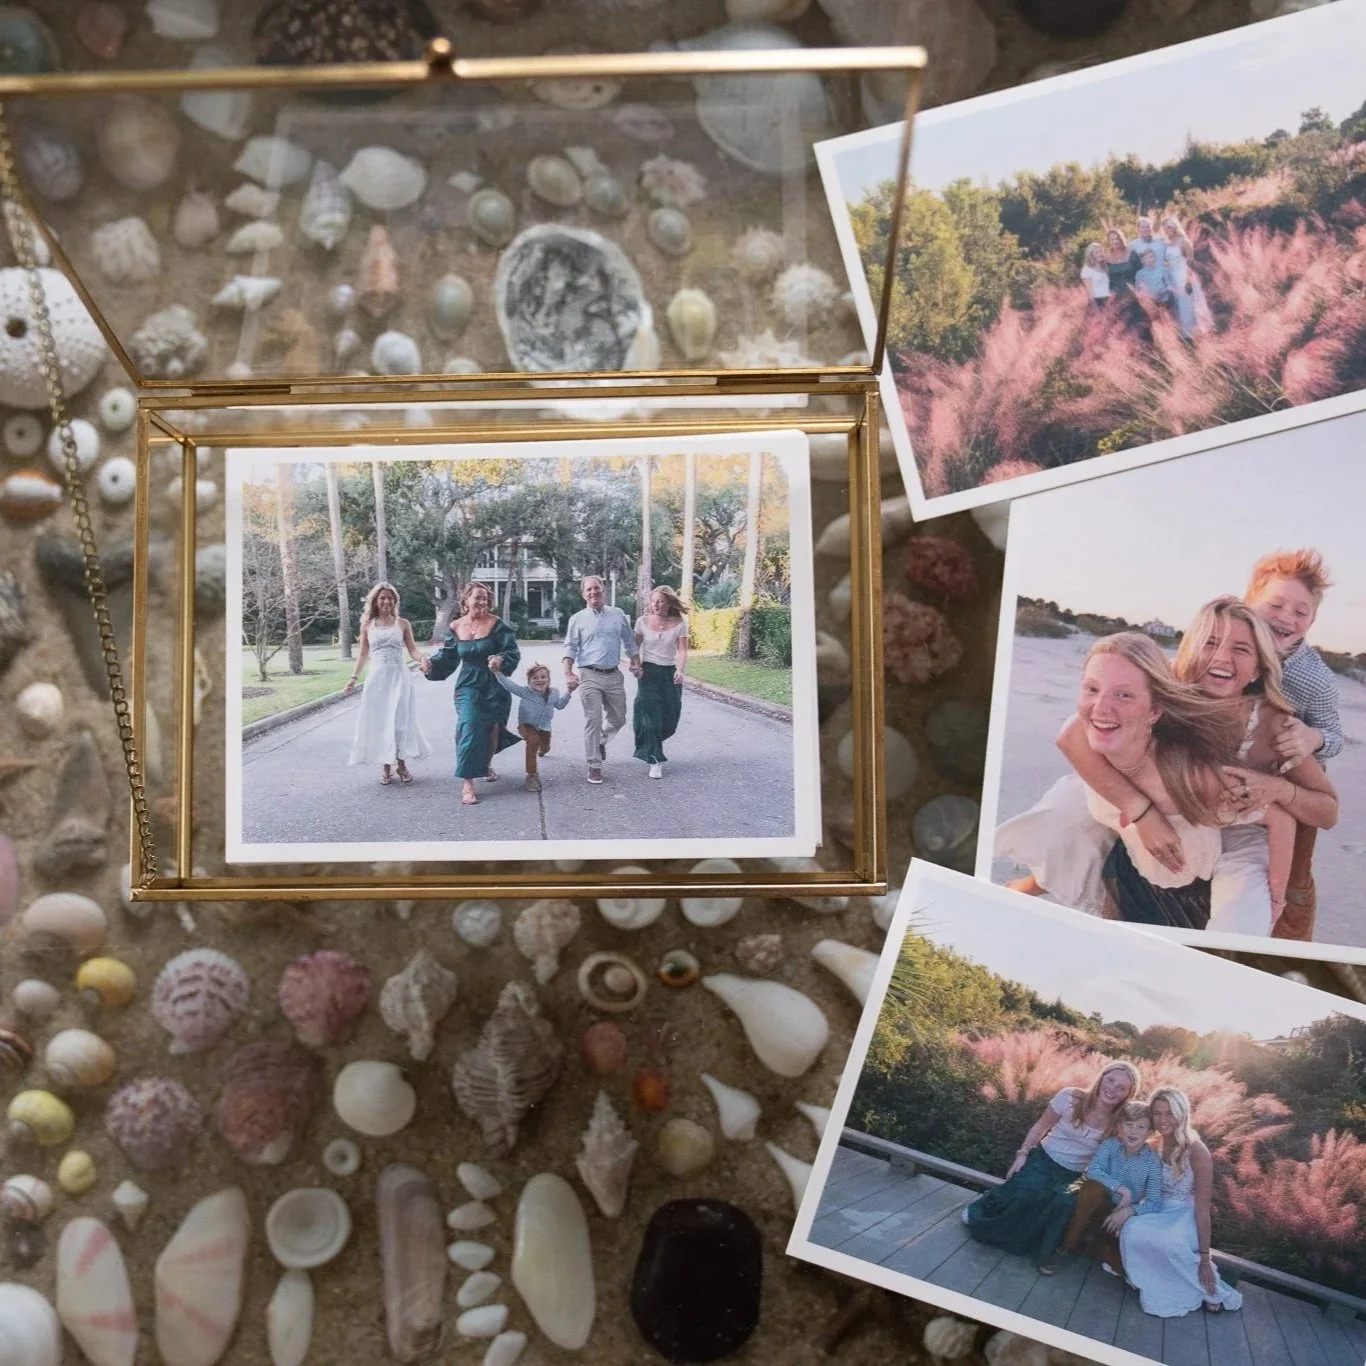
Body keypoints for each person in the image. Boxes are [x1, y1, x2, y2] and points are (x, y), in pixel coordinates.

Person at [1052, 603, 1337, 935]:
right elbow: (1073, 735)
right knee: (1064, 817)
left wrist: (1280, 789)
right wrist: (1142, 813)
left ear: (1258, 668)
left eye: (1241, 649)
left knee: (1241, 914)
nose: (1221, 657)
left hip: (1239, 831)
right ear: (1191, 649)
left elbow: (1328, 812)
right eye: (1210, 642)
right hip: (1163, 821)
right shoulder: (1167, 688)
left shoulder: (1274, 726)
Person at [997, 633, 1237, 929]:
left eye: (1123, 695)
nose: (1100, 708)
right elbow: (1069, 735)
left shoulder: (1189, 764)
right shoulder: (1152, 676)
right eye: (1091, 689)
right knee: (1073, 835)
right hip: (1119, 808)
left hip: (1182, 877)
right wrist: (1142, 813)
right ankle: (1026, 889)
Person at [1243, 549, 1342, 941]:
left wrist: (1312, 736)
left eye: (1301, 612)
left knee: (1293, 880)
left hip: (1299, 787)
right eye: (1276, 604)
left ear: (1313, 620)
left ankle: (1294, 947)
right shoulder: (1230, 644)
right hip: (1239, 771)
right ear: (1249, 602)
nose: (1287, 617)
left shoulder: (1314, 679)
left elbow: (1334, 737)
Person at [962, 1061, 1141, 1271]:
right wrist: (1023, 1153)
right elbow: (1041, 1126)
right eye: (1110, 1080)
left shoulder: (1120, 1123)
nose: (1113, 1089)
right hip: (1044, 1158)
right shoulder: (1070, 1097)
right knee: (1029, 1192)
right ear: (1101, 1078)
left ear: (1128, 1095)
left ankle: (1039, 1246)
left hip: (1075, 1175)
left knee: (1061, 1202)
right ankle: (983, 1217)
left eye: (1122, 1087)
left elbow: (1141, 1131)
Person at [1120, 1088, 1243, 1317]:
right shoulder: (1152, 1145)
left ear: (1182, 1114)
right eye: (1157, 1113)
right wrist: (1126, 1208)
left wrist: (1205, 1259)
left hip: (1185, 1211)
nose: (1163, 1120)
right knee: (1133, 1229)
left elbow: (1203, 1207)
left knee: (1170, 1241)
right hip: (1157, 1205)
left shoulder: (1197, 1151)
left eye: (1170, 1113)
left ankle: (1210, 1289)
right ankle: (1150, 1278)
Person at [423, 582, 522, 807]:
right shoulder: (456, 627)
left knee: (492, 730)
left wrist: (501, 660)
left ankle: (485, 765)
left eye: (486, 598)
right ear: (465, 600)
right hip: (468, 685)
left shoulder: (498, 625)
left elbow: (511, 651)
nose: (482, 602)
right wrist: (431, 666)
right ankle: (467, 782)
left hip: (496, 685)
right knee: (468, 725)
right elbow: (447, 657)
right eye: (477, 597)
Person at [1056, 1099, 1163, 1276]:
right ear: (1120, 1126)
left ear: (1150, 1132)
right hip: (1097, 1202)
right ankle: (1067, 1247)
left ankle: (1094, 1241)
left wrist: (1128, 1211)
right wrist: (1122, 1189)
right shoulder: (1111, 1145)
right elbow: (1093, 1170)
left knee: (1122, 1268)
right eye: (1128, 1124)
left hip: (1119, 1214)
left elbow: (1153, 1202)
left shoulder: (1152, 1163)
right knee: (1092, 1189)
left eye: (1140, 1127)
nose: (1133, 1131)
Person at [344, 582, 431, 785]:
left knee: (400, 722)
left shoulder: (402, 624)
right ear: (376, 600)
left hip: (399, 676)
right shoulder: (368, 624)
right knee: (381, 723)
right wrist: (354, 677)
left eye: (390, 598)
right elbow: (364, 653)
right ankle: (385, 767)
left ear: (395, 601)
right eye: (382, 597)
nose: (386, 601)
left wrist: (423, 659)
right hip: (377, 678)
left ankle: (401, 765)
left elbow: (412, 650)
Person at [563, 575, 641, 786]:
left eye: (596, 588)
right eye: (588, 590)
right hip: (589, 674)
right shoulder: (577, 619)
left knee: (619, 718)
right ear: (583, 594)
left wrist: (636, 662)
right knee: (593, 719)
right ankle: (594, 765)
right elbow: (570, 647)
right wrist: (568, 672)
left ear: (603, 590)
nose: (593, 592)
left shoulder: (617, 615)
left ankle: (600, 741)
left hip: (614, 675)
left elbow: (629, 641)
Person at [491, 660, 576, 793]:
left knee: (545, 746)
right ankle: (531, 776)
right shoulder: (525, 692)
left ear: (548, 679)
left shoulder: (554, 692)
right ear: (529, 681)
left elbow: (560, 705)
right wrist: (497, 672)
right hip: (526, 725)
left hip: (544, 726)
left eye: (543, 677)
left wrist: (569, 691)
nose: (539, 680)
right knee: (533, 741)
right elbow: (509, 685)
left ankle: (543, 750)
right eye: (535, 678)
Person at [633, 585, 690, 780]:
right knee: (651, 718)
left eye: (660, 601)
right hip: (648, 674)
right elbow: (634, 647)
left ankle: (651, 743)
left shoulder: (680, 623)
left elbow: (682, 651)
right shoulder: (642, 622)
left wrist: (681, 670)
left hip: (669, 674)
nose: (655, 605)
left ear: (669, 603)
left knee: (670, 718)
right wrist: (636, 666)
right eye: (653, 601)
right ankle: (655, 760)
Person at [1160, 217, 1207, 339]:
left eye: (1169, 227)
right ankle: (1184, 335)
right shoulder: (1166, 244)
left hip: (1184, 276)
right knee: (1179, 307)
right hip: (1172, 278)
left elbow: (1190, 263)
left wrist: (1188, 281)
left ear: (1175, 227)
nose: (1167, 230)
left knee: (1189, 305)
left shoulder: (1184, 242)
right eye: (1165, 228)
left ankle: (1195, 334)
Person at [1103, 228, 1138, 297]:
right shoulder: (1106, 258)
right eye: (1112, 240)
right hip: (1116, 297)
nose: (1115, 241)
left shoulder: (1132, 254)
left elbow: (1140, 274)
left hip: (1134, 294)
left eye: (1117, 238)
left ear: (1121, 239)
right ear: (1109, 242)